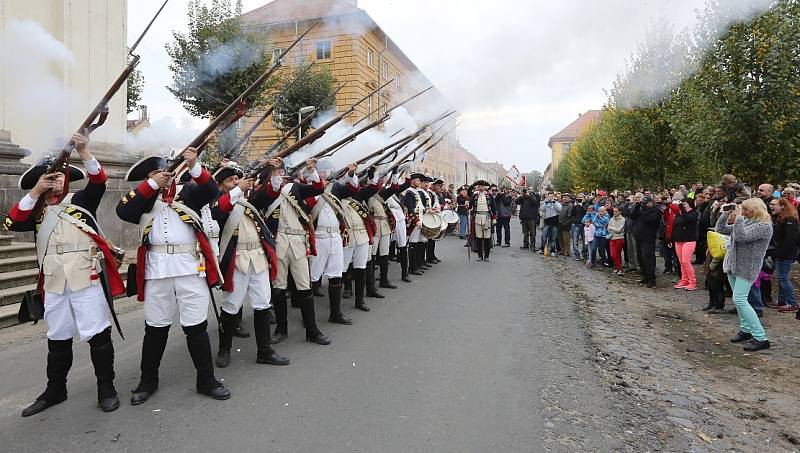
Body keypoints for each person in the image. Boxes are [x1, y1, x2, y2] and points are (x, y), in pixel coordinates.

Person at [6, 133, 125, 416]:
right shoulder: (35, 209)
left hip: (86, 276)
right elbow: (12, 222)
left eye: (61, 175)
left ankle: (106, 387)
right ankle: (55, 389)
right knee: (58, 337)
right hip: (55, 281)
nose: (57, 179)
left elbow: (99, 181)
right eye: (51, 176)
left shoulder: (82, 200)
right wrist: (35, 192)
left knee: (97, 334)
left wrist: (84, 151)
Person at [117, 147, 230, 405]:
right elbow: (123, 212)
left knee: (196, 328)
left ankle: (206, 380)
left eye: (164, 170)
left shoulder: (188, 191)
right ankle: (148, 381)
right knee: (155, 329)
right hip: (157, 270)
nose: (163, 175)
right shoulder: (144, 197)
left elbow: (212, 191)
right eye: (157, 172)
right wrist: (151, 185)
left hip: (190, 267)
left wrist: (194, 165)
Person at [210, 162, 289, 368]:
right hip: (236, 260)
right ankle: (224, 350)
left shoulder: (249, 200)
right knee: (231, 306)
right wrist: (238, 189)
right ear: (220, 185)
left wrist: (272, 171)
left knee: (262, 303)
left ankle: (265, 350)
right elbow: (220, 210)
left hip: (259, 257)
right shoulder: (217, 202)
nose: (236, 182)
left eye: (237, 179)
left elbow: (270, 192)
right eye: (230, 180)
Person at [259, 157, 331, 345]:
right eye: (277, 173)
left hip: (298, 240)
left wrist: (310, 170)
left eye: (282, 172)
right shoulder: (267, 191)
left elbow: (318, 188)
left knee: (304, 286)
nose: (281, 176)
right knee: (279, 287)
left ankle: (312, 330)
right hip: (278, 241)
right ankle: (281, 329)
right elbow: (270, 191)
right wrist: (272, 173)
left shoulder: (294, 188)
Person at [715, 197, 773, 351]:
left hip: (747, 268)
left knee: (740, 300)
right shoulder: (746, 222)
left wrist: (739, 217)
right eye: (743, 209)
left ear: (756, 210)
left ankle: (761, 337)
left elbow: (742, 237)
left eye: (746, 209)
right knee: (739, 300)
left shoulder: (764, 227)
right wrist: (725, 214)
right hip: (733, 265)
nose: (744, 212)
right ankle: (746, 329)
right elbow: (721, 230)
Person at [768, 198, 799, 312]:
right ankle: (782, 301)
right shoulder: (779, 218)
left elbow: (791, 239)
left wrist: (780, 252)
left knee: (783, 277)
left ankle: (792, 303)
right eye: (770, 204)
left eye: (774, 204)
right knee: (780, 277)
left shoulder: (789, 219)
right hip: (780, 253)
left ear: (782, 206)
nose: (771, 206)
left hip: (786, 254)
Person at [632, 196, 661, 288]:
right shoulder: (641, 209)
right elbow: (632, 216)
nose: (645, 204)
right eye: (644, 203)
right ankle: (645, 276)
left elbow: (650, 219)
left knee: (647, 257)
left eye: (647, 203)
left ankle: (652, 279)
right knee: (640, 257)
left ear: (652, 203)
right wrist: (637, 206)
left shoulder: (656, 211)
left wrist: (644, 210)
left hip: (648, 238)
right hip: (639, 237)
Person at [672, 197, 699, 291]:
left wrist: (682, 209)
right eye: (682, 204)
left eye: (684, 204)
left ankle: (693, 282)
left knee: (686, 261)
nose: (682, 206)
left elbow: (688, 219)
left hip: (689, 240)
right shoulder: (679, 214)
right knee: (681, 262)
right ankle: (684, 280)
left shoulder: (693, 213)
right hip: (679, 240)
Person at [469, 180, 497, 261]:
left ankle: (487, 256)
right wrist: (468, 206)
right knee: (479, 237)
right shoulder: (474, 196)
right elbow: (470, 205)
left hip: (487, 217)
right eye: (479, 186)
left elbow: (494, 207)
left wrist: (494, 217)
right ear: (477, 187)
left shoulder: (490, 195)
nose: (481, 187)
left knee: (487, 237)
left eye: (482, 186)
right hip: (477, 217)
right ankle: (480, 256)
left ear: (485, 187)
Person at [608, 206, 626, 274]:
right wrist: (614, 228)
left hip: (619, 238)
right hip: (612, 238)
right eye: (614, 211)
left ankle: (619, 269)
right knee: (613, 255)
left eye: (616, 211)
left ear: (620, 212)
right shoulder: (612, 218)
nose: (614, 212)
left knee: (617, 254)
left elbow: (619, 230)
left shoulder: (622, 219)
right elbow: (608, 228)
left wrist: (611, 228)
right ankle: (618, 268)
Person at [570, 195, 586, 261]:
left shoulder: (585, 204)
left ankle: (584, 254)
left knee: (585, 241)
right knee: (575, 241)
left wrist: (581, 205)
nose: (579, 199)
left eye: (581, 198)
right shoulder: (574, 205)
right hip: (575, 224)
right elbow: (572, 214)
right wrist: (574, 206)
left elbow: (585, 213)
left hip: (584, 225)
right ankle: (577, 254)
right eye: (578, 198)